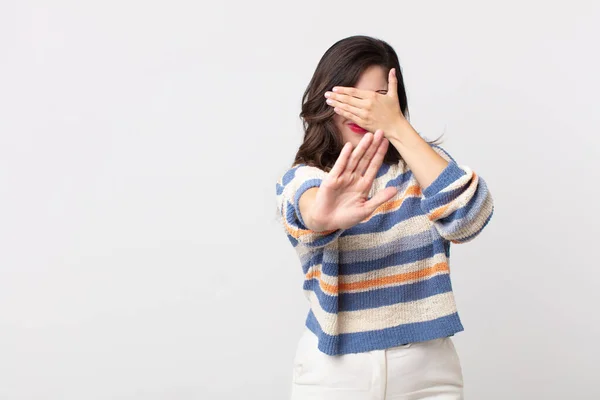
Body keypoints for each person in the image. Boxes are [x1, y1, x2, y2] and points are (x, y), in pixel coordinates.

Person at [275, 35, 494, 400]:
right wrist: (323, 215)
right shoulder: (306, 177)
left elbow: (470, 219)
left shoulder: (421, 167)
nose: (364, 111)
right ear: (326, 98)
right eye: (351, 96)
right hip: (335, 373)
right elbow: (308, 207)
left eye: (378, 98)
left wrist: (397, 128)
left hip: (429, 372)